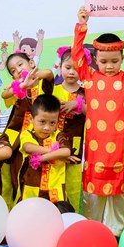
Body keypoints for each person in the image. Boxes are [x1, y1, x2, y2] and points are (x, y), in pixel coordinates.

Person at [71, 6, 124, 234]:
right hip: (95, 153)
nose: (109, 66)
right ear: (95, 59)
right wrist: (82, 25)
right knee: (94, 197)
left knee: (121, 193)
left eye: (114, 61)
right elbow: (77, 55)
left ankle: (118, 234)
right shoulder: (89, 77)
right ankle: (92, 231)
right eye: (104, 61)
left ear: (122, 59)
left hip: (121, 151)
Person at [0, 51, 55, 206]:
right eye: (13, 70)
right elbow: (4, 94)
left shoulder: (43, 83)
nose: (18, 70)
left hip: (41, 136)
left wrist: (31, 77)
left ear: (31, 63)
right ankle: (12, 205)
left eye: (20, 65)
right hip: (18, 138)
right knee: (15, 171)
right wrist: (22, 85)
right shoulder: (17, 89)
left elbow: (49, 73)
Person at [18, 94, 72, 202]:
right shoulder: (27, 134)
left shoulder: (58, 135)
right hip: (31, 187)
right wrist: (54, 153)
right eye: (42, 122)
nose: (47, 127)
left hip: (55, 189)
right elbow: (28, 147)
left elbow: (66, 151)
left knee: (56, 212)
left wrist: (42, 158)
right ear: (31, 119)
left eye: (52, 123)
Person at [54, 47, 87, 210]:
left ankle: (72, 214)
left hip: (76, 144)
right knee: (54, 180)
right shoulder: (53, 90)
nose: (72, 72)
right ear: (60, 67)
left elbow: (95, 112)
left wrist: (77, 105)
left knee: (73, 184)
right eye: (68, 67)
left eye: (77, 69)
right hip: (54, 143)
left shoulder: (86, 93)